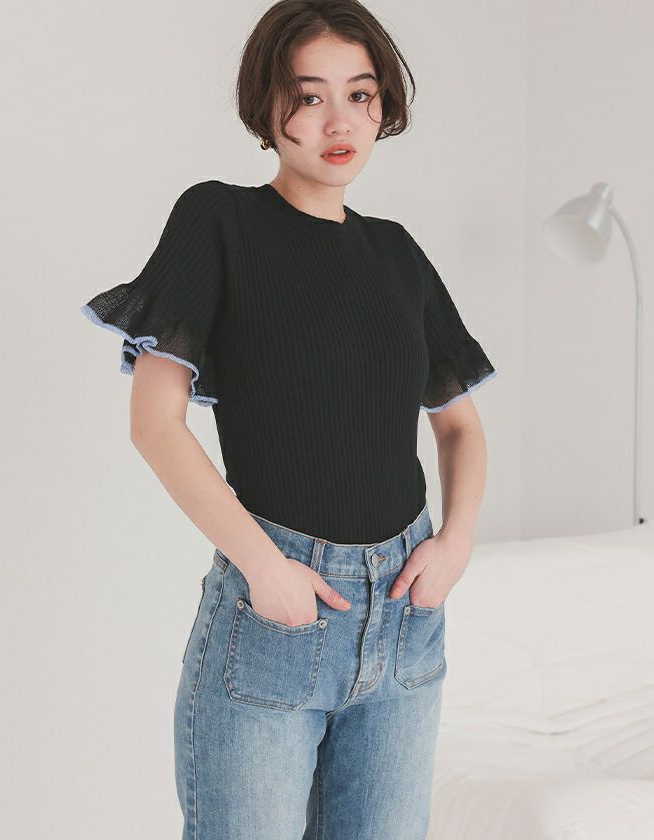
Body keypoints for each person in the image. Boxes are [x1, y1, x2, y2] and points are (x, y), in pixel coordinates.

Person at [80, 1, 497, 837]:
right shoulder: (219, 220)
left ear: (383, 105)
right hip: (276, 614)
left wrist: (455, 545)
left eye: (360, 94)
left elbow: (458, 424)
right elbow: (155, 424)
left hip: (406, 617)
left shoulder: (397, 252)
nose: (340, 121)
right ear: (267, 106)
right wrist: (265, 569)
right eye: (310, 96)